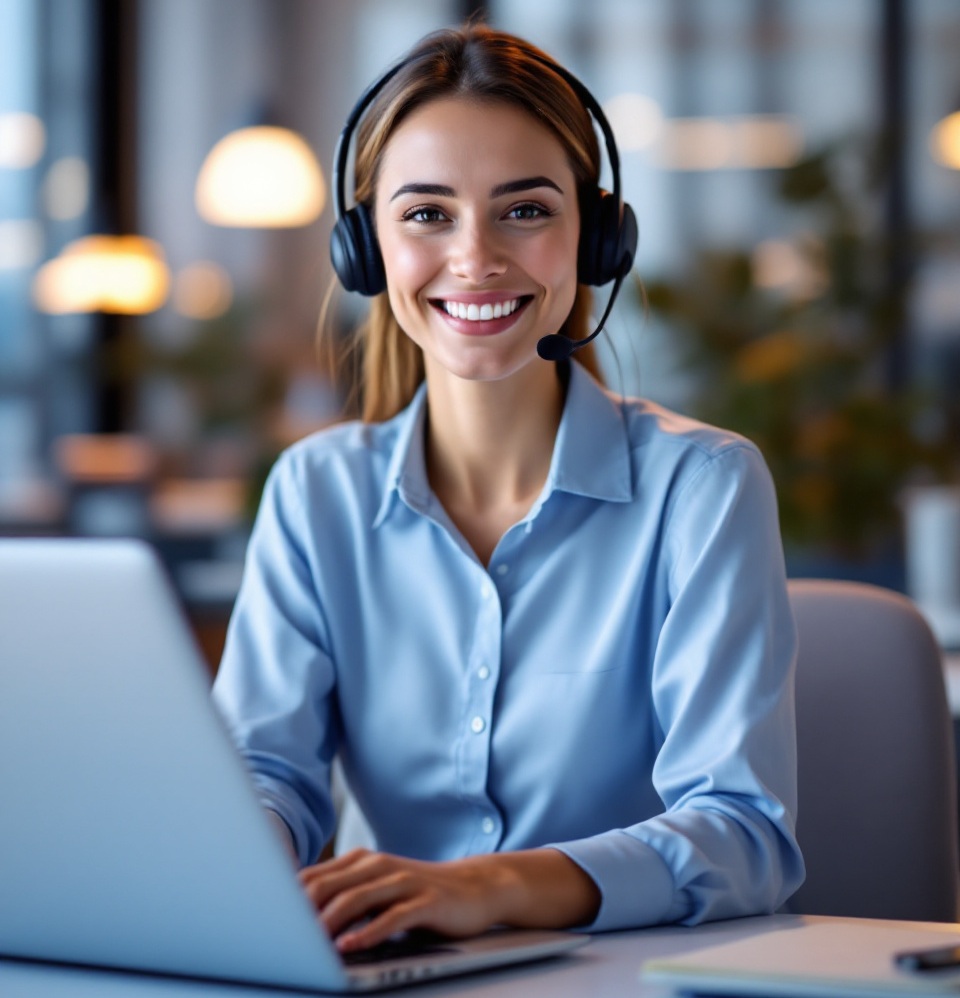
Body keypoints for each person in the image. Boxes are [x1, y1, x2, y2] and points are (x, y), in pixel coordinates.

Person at [212, 23, 805, 955]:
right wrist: (223, 848)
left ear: (597, 237)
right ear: (365, 248)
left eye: (525, 210)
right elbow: (266, 771)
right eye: (427, 213)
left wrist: (485, 889)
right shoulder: (315, 493)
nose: (477, 257)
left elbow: (743, 835)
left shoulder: (704, 487)